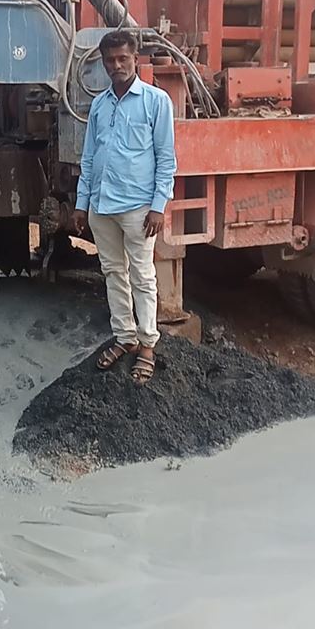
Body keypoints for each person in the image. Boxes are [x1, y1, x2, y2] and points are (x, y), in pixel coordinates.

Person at [72, 31, 176, 385]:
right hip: (102, 206)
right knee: (113, 272)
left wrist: (158, 206)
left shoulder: (156, 101)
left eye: (123, 59)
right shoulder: (100, 105)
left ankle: (148, 345)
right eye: (110, 60)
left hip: (138, 209)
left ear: (135, 59)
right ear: (103, 63)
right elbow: (89, 159)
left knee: (143, 276)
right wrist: (81, 204)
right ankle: (125, 338)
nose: (116, 66)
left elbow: (166, 158)